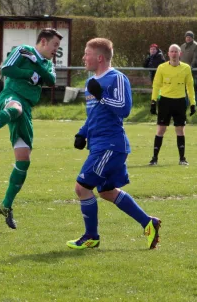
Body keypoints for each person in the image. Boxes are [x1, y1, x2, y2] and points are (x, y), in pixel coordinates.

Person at [67, 37, 161, 250]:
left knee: (82, 188)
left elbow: (124, 109)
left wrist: (100, 95)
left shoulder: (116, 78)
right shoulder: (90, 82)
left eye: (86, 54)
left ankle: (91, 236)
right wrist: (82, 133)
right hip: (99, 145)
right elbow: (94, 115)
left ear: (99, 57)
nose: (83, 57)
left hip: (110, 145)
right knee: (107, 191)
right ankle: (149, 223)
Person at [0, 28, 61, 229]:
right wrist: (30, 73)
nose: (56, 50)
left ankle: (6, 206)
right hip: (11, 96)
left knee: (24, 161)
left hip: (27, 109)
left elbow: (51, 81)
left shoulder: (46, 64)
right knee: (15, 109)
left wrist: (36, 66)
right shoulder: (22, 49)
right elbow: (7, 69)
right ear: (43, 42)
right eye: (55, 45)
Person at [149, 44, 196, 166]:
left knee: (180, 130)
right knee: (161, 129)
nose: (174, 54)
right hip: (165, 101)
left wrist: (192, 103)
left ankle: (182, 158)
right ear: (168, 54)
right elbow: (156, 85)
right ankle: (154, 158)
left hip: (180, 101)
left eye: (176, 51)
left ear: (180, 54)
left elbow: (190, 86)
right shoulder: (162, 67)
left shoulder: (186, 68)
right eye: (171, 51)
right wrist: (153, 101)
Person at [180, 31, 197, 107]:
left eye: (190, 37)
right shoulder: (182, 46)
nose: (188, 38)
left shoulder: (196, 46)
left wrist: (191, 66)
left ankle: (196, 103)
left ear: (192, 38)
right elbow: (179, 57)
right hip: (183, 71)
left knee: (194, 88)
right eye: (187, 37)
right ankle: (185, 104)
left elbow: (196, 58)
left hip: (194, 71)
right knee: (184, 88)